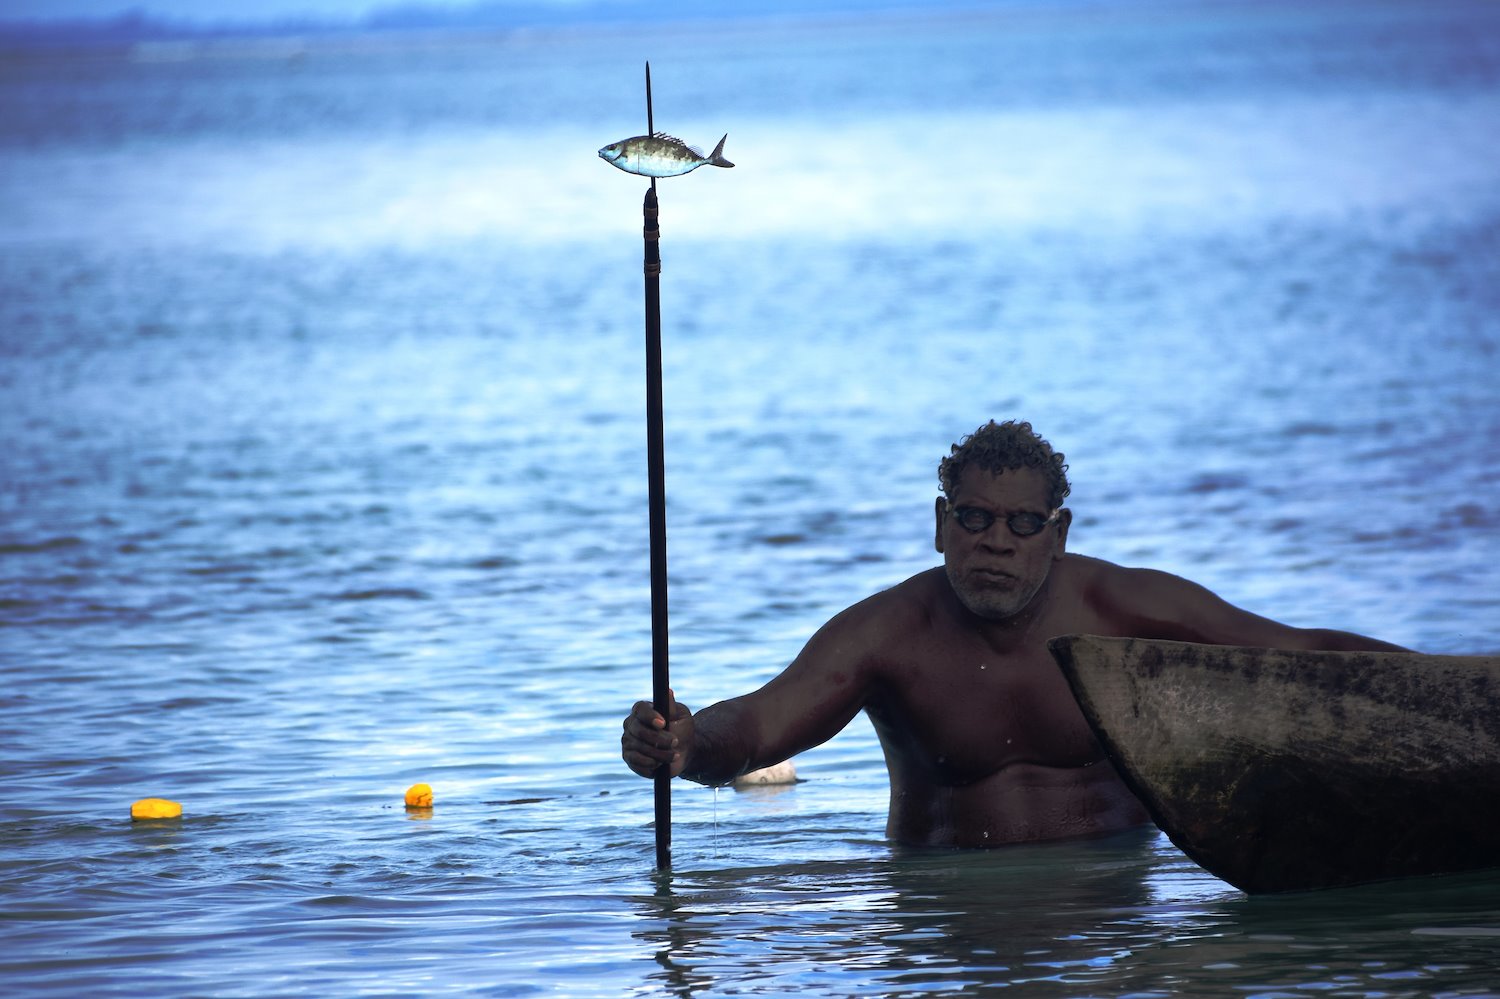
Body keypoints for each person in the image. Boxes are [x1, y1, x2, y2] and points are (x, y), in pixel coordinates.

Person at [621, 420, 1406, 848]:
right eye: (974, 518)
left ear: (1056, 534)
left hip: (1111, 929)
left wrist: (1456, 679)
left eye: (1022, 523)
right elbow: (760, 723)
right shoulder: (889, 633)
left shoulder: (1120, 606)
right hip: (944, 931)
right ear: (941, 524)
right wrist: (684, 745)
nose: (996, 541)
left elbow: (1295, 654)